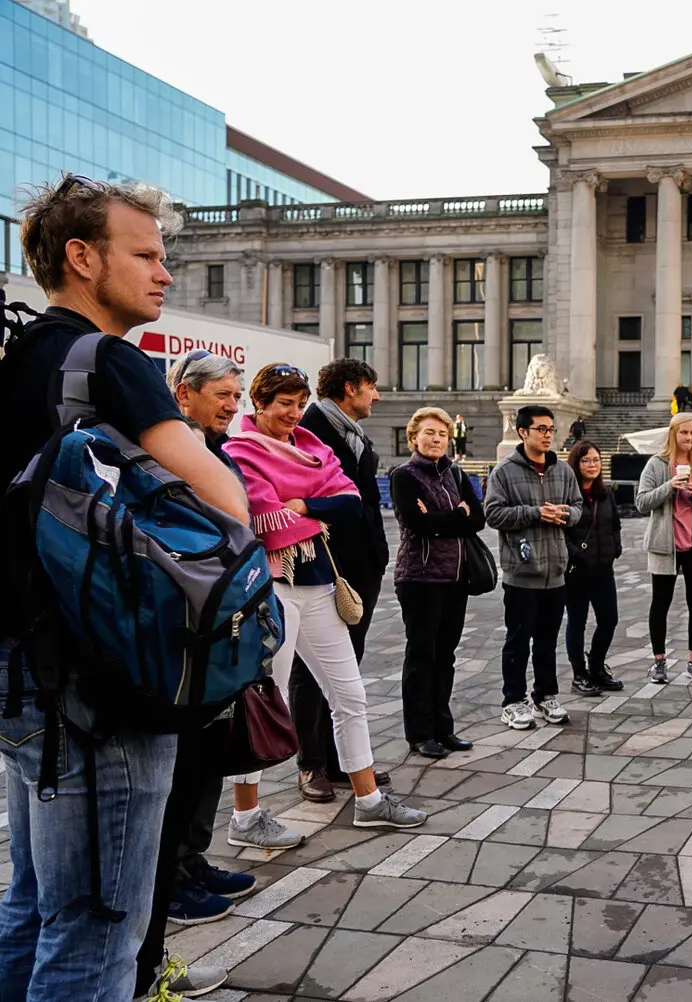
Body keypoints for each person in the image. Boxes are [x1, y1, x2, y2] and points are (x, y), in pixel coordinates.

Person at [0, 175, 251, 1001]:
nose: (165, 273)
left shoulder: (20, 356)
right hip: (108, 685)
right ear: (81, 256)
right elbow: (225, 500)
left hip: (24, 679)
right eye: (145, 254)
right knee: (97, 932)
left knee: (34, 908)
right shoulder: (108, 360)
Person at [223, 364, 427, 843]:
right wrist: (312, 504)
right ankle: (245, 817)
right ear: (260, 405)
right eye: (283, 404)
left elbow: (351, 501)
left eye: (298, 403)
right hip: (272, 587)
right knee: (262, 699)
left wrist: (302, 506)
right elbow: (265, 518)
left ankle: (369, 800)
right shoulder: (240, 452)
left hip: (318, 584)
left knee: (350, 696)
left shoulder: (313, 447)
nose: (293, 414)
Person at [133, 352, 260, 999]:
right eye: (225, 394)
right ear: (183, 395)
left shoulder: (216, 453)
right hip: (179, 651)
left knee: (199, 772)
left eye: (238, 396)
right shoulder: (165, 457)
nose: (232, 405)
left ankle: (158, 946)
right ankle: (148, 968)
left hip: (214, 645)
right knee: (165, 802)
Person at [290, 359, 391, 804]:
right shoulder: (309, 431)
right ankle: (310, 764)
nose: (377, 396)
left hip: (361, 565)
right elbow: (309, 500)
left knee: (347, 666)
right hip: (324, 564)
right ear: (350, 389)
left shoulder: (354, 433)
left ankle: (340, 760)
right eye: (371, 388)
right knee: (311, 671)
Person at [389, 407, 485, 759]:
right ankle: (419, 733)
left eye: (442, 434)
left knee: (445, 656)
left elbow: (478, 519)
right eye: (429, 433)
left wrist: (448, 518)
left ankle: (443, 728)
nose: (436, 439)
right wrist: (455, 516)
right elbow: (417, 523)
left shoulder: (456, 473)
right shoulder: (404, 476)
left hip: (455, 578)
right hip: (419, 577)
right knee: (421, 656)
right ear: (414, 437)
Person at [484, 404, 583, 730]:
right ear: (522, 432)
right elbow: (493, 514)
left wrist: (565, 514)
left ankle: (545, 695)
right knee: (517, 640)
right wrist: (534, 512)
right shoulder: (504, 472)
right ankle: (513, 701)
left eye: (550, 429)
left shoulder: (563, 471)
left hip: (555, 572)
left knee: (546, 640)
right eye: (541, 429)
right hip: (521, 572)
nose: (547, 435)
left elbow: (579, 507)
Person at [636, 411, 692, 685]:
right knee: (660, 603)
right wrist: (669, 486)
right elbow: (642, 502)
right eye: (684, 432)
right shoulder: (657, 464)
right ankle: (659, 662)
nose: (688, 437)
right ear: (673, 433)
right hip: (664, 544)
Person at [564, 441, 626, 696]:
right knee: (577, 622)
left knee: (609, 619)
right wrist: (576, 554)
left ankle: (597, 666)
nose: (592, 465)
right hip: (577, 571)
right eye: (586, 460)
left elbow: (615, 524)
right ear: (576, 464)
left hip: (603, 568)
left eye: (596, 460)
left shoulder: (605, 492)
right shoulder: (568, 494)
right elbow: (560, 531)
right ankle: (579, 674)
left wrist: (616, 547)